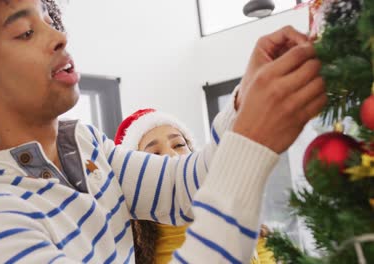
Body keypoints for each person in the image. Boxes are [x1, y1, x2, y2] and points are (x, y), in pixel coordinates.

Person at [0, 0, 326, 262]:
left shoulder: (85, 146)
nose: (60, 37)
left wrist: (245, 98)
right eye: (26, 32)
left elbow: (187, 187)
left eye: (49, 20)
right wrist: (251, 146)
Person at [115, 108, 276, 264]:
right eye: (155, 154)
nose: (171, 155)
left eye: (178, 145)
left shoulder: (238, 218)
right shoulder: (130, 253)